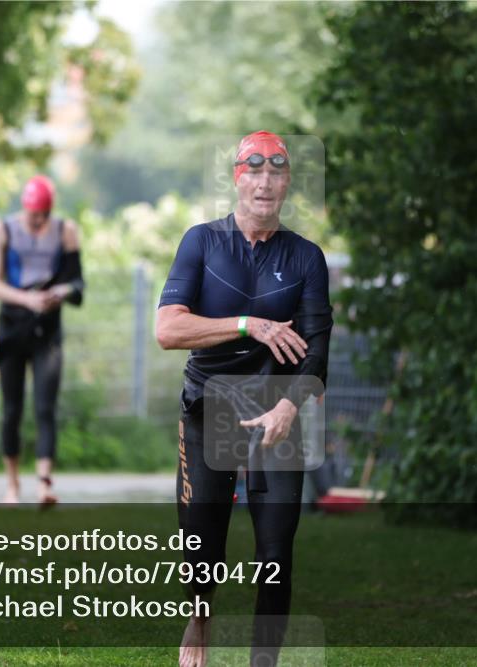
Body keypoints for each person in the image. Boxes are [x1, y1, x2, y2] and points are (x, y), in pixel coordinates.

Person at [155, 132, 333, 667]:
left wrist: (289, 408)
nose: (264, 181)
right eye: (253, 171)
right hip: (209, 411)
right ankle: (201, 615)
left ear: (285, 184)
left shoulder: (306, 258)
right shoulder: (202, 243)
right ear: (238, 178)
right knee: (200, 547)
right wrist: (246, 326)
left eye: (276, 172)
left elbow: (317, 352)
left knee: (276, 553)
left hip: (278, 415)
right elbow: (168, 330)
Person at [0, 175, 84, 505]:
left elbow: (78, 284)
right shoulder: (3, 230)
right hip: (12, 329)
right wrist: (27, 300)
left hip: (47, 332)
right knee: (11, 410)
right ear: (24, 209)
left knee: (45, 408)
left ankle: (44, 485)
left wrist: (59, 292)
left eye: (43, 215)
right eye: (33, 216)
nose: (38, 222)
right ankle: (12, 486)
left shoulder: (65, 231)